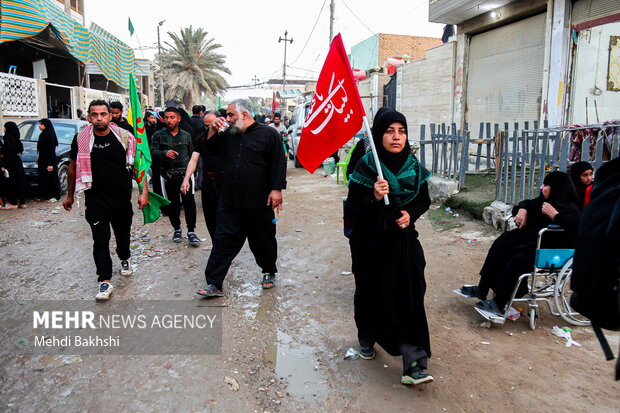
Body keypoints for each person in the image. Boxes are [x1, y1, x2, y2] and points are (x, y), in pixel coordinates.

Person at [345, 108, 433, 386]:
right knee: (371, 293)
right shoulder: (366, 166)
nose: (397, 137)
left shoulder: (414, 167)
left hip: (403, 242)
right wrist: (373, 196)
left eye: (402, 131)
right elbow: (354, 209)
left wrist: (411, 214)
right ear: (379, 134)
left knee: (410, 294)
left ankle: (414, 361)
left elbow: (423, 201)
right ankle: (367, 337)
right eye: (389, 131)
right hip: (370, 244)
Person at [197, 99, 286, 297]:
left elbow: (278, 163)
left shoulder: (269, 134)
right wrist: (211, 130)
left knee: (262, 239)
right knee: (223, 240)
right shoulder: (228, 135)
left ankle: (269, 271)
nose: (227, 119)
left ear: (244, 114)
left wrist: (277, 189)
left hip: (259, 199)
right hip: (230, 199)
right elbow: (208, 150)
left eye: (231, 115)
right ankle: (214, 283)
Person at [460, 171, 582, 315]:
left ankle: (500, 303)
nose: (542, 188)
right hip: (530, 242)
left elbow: (578, 225)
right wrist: (522, 210)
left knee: (518, 260)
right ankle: (482, 288)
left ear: (556, 188)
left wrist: (555, 216)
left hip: (547, 250)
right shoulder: (544, 201)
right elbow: (527, 203)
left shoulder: (571, 208)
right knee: (500, 245)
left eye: (546, 185)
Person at [63, 100, 148, 300]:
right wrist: (69, 194)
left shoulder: (124, 137)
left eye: (103, 114)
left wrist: (144, 192)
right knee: (100, 240)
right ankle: (105, 281)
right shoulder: (81, 139)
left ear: (110, 116)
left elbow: (138, 165)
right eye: (95, 114)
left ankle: (125, 257)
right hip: (95, 200)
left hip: (121, 199)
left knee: (122, 236)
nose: (99, 118)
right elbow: (73, 167)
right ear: (89, 117)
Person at [150, 107, 201, 246]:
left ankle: (191, 232)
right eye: (166, 117)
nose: (169, 120)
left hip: (185, 176)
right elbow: (152, 152)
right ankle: (177, 229)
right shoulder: (158, 135)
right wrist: (164, 153)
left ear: (179, 118)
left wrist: (194, 174)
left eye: (172, 117)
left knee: (190, 203)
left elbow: (192, 155)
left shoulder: (186, 135)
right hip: (167, 176)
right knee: (172, 204)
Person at [181, 110, 223, 243]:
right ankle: (217, 245)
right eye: (206, 125)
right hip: (209, 183)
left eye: (213, 124)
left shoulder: (228, 136)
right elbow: (193, 159)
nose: (210, 128)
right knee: (211, 218)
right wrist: (186, 179)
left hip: (227, 183)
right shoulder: (201, 138)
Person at [2, 122, 27, 209]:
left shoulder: (7, 137)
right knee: (19, 181)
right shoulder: (17, 138)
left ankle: (13, 203)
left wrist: (3, 165)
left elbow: (7, 152)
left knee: (10, 182)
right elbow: (20, 149)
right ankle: (22, 203)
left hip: (10, 163)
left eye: (5, 127)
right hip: (17, 161)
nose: (4, 129)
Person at [36, 119, 61, 202]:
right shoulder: (43, 134)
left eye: (41, 124)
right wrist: (39, 157)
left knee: (51, 178)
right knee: (43, 178)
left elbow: (51, 150)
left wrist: (50, 164)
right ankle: (45, 195)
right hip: (43, 160)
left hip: (50, 160)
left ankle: (54, 196)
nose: (40, 126)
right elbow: (42, 148)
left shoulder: (50, 135)